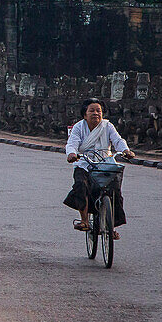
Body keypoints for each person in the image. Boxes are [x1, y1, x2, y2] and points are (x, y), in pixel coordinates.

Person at [64, 98, 135, 239]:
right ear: (85, 114)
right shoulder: (78, 127)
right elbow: (72, 143)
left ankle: (111, 227)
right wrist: (72, 154)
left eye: (99, 111)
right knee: (81, 185)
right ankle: (84, 220)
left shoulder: (107, 126)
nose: (96, 113)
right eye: (92, 110)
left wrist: (126, 150)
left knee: (114, 191)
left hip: (105, 163)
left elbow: (118, 140)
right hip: (84, 162)